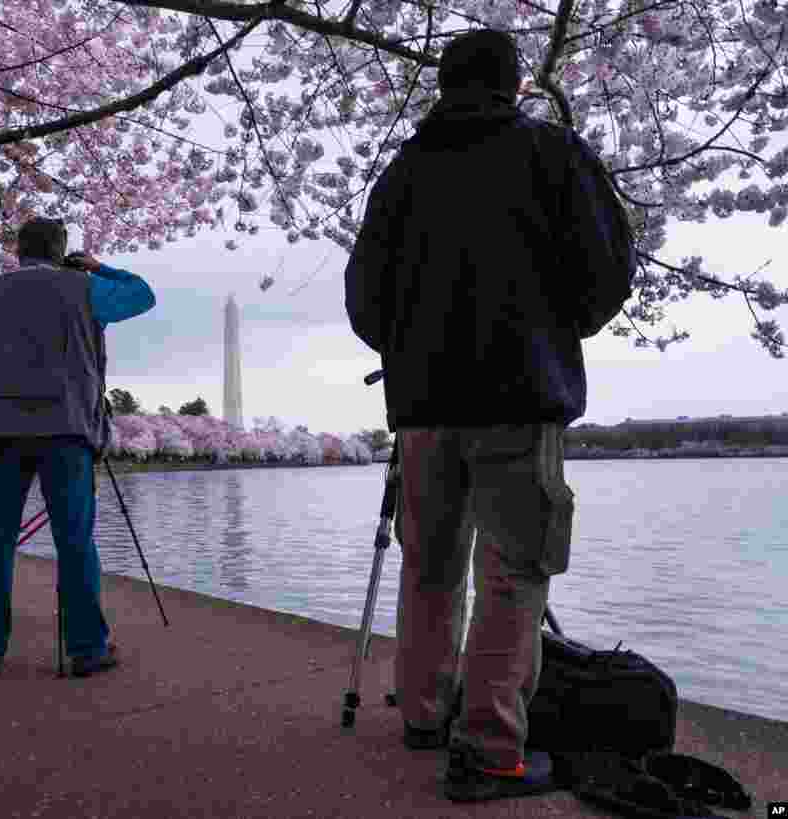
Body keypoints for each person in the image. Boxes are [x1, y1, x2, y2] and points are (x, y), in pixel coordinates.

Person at [344, 29, 636, 802]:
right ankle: (488, 747)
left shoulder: (401, 175)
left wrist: (411, 347)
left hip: (424, 407)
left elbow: (363, 298)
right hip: (519, 392)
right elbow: (609, 269)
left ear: (444, 86)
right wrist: (554, 326)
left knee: (428, 565)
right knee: (514, 569)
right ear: (515, 85)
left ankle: (424, 713)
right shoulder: (552, 154)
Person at [0, 217, 156, 679]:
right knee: (74, 541)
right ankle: (86, 648)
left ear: (18, 250)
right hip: (67, 429)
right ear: (61, 251)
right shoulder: (85, 288)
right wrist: (98, 267)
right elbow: (142, 295)